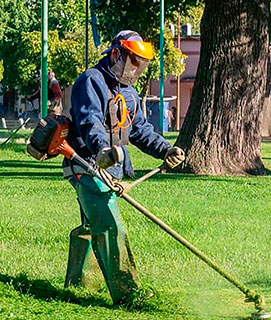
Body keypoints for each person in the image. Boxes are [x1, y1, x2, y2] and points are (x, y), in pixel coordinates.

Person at [62, 30, 185, 305]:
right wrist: (102, 151)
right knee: (109, 224)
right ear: (117, 54)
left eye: (141, 65)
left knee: (92, 224)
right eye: (133, 63)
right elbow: (89, 121)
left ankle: (77, 285)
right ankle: (129, 294)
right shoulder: (91, 81)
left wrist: (165, 150)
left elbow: (140, 130)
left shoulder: (129, 92)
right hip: (87, 164)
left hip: (112, 170)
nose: (136, 71)